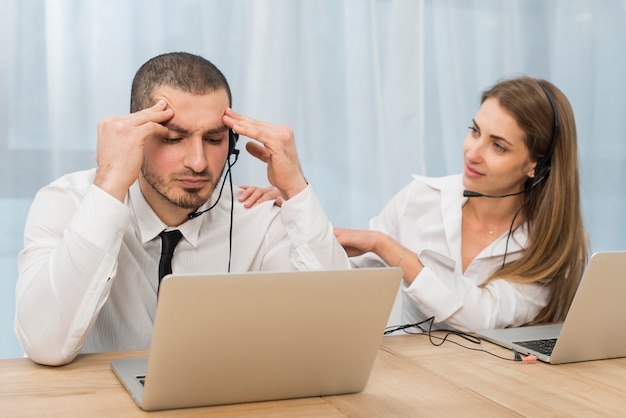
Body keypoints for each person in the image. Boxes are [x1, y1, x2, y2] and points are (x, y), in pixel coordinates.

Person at [15, 52, 350, 366]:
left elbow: (338, 335)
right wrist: (109, 185)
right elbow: (45, 345)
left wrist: (296, 190)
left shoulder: (257, 216)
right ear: (136, 137)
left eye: (215, 139)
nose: (198, 162)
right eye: (174, 138)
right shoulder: (67, 203)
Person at [249, 76, 589, 333]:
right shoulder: (421, 198)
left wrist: (387, 247)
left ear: (536, 165)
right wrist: (296, 200)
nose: (472, 152)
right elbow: (339, 282)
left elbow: (478, 316)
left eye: (497, 146)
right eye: (474, 131)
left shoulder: (548, 248)